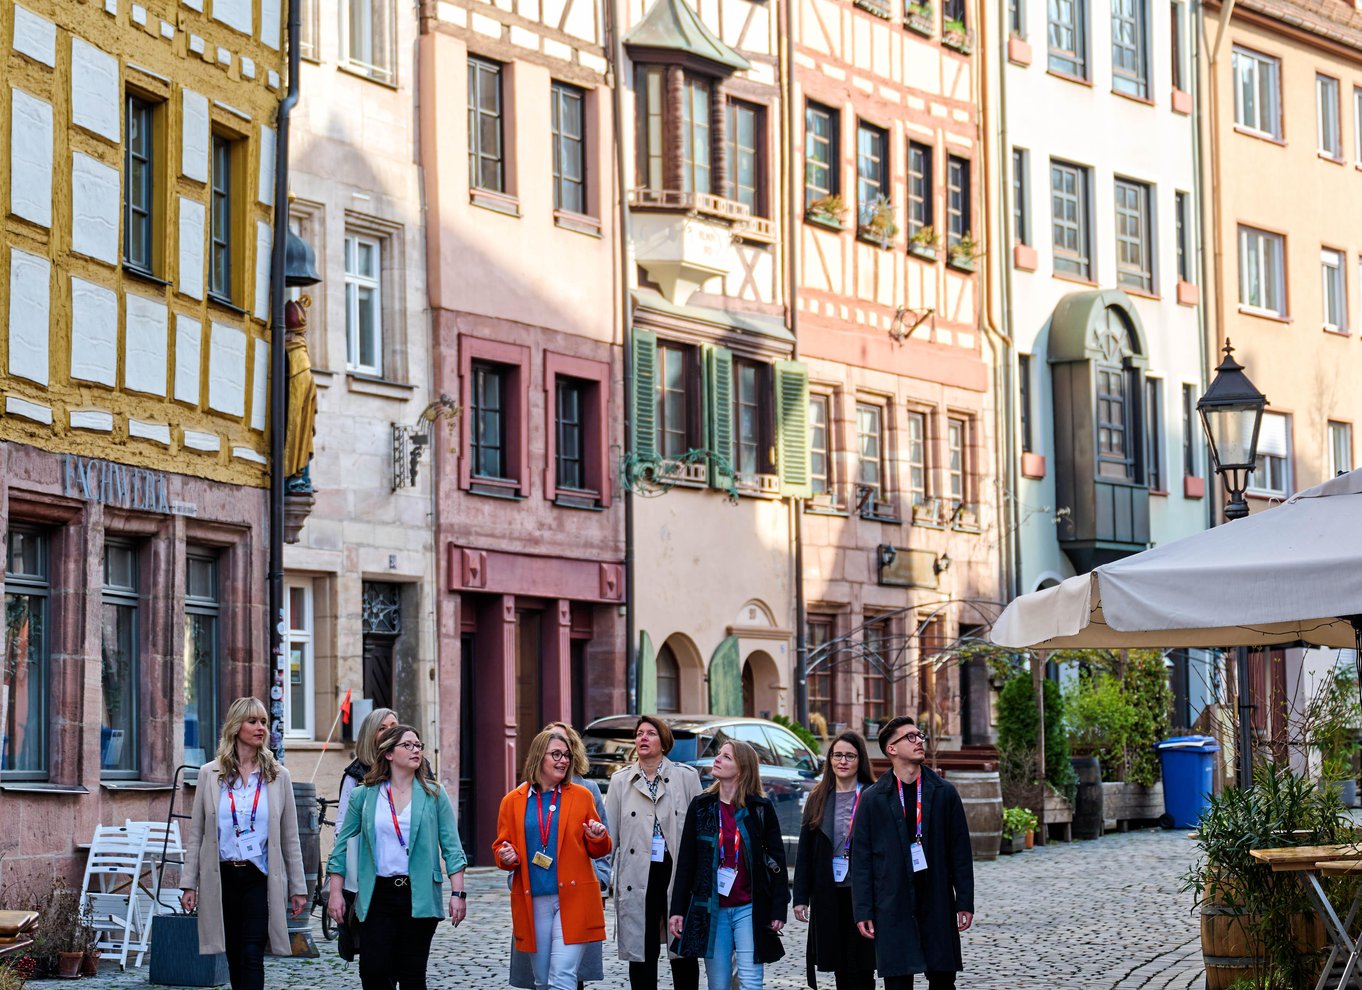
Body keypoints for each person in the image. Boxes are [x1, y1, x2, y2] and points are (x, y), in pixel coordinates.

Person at [325, 723, 467, 989]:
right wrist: (335, 892)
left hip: (420, 893)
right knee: (373, 971)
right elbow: (341, 846)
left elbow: (452, 846)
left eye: (419, 746)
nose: (416, 751)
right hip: (377, 893)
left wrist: (458, 894)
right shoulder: (364, 795)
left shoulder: (434, 795)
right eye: (408, 745)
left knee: (412, 975)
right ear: (388, 753)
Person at [181, 697, 308, 990]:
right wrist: (190, 883)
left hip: (258, 876)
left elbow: (290, 837)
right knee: (235, 954)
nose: (260, 727)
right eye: (253, 721)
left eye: (263, 721)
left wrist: (298, 888)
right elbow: (196, 833)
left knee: (252, 953)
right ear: (236, 727)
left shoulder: (278, 776)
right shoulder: (210, 774)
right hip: (222, 876)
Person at [849, 716, 974, 990]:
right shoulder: (872, 798)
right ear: (891, 749)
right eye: (910, 737)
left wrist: (964, 900)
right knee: (897, 981)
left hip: (937, 898)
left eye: (920, 735)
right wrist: (863, 910)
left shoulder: (944, 793)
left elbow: (960, 852)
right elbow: (861, 860)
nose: (919, 741)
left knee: (943, 979)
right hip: (892, 902)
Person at [495, 728, 613, 990]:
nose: (564, 761)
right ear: (539, 758)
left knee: (563, 976)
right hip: (533, 897)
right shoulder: (512, 801)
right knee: (541, 979)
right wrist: (507, 856)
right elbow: (502, 848)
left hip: (574, 897)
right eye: (556, 754)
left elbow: (601, 848)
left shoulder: (581, 796)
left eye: (567, 755)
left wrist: (597, 836)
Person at [668, 739, 788, 990]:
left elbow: (777, 861)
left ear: (742, 768)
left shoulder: (760, 808)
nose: (717, 759)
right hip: (713, 909)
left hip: (749, 908)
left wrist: (778, 909)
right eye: (718, 754)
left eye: (726, 757)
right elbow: (686, 861)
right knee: (718, 983)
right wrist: (677, 909)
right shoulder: (702, 806)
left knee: (751, 981)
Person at [605, 715, 702, 990]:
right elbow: (609, 837)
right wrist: (602, 882)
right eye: (639, 734)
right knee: (642, 950)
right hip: (637, 875)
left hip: (676, 873)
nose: (643, 738)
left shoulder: (686, 777)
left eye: (650, 733)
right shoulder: (620, 781)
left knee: (682, 949)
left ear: (664, 741)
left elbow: (700, 834)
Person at [793, 731, 878, 990]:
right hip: (828, 892)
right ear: (829, 759)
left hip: (863, 893)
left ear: (859, 760)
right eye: (837, 755)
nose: (843, 761)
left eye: (850, 756)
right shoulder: (818, 797)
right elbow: (805, 851)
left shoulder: (873, 796)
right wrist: (800, 897)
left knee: (863, 963)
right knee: (838, 963)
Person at [337, 707, 398, 938]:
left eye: (393, 727)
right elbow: (343, 828)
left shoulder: (416, 770)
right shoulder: (356, 775)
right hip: (368, 869)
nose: (389, 732)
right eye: (382, 728)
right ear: (370, 735)